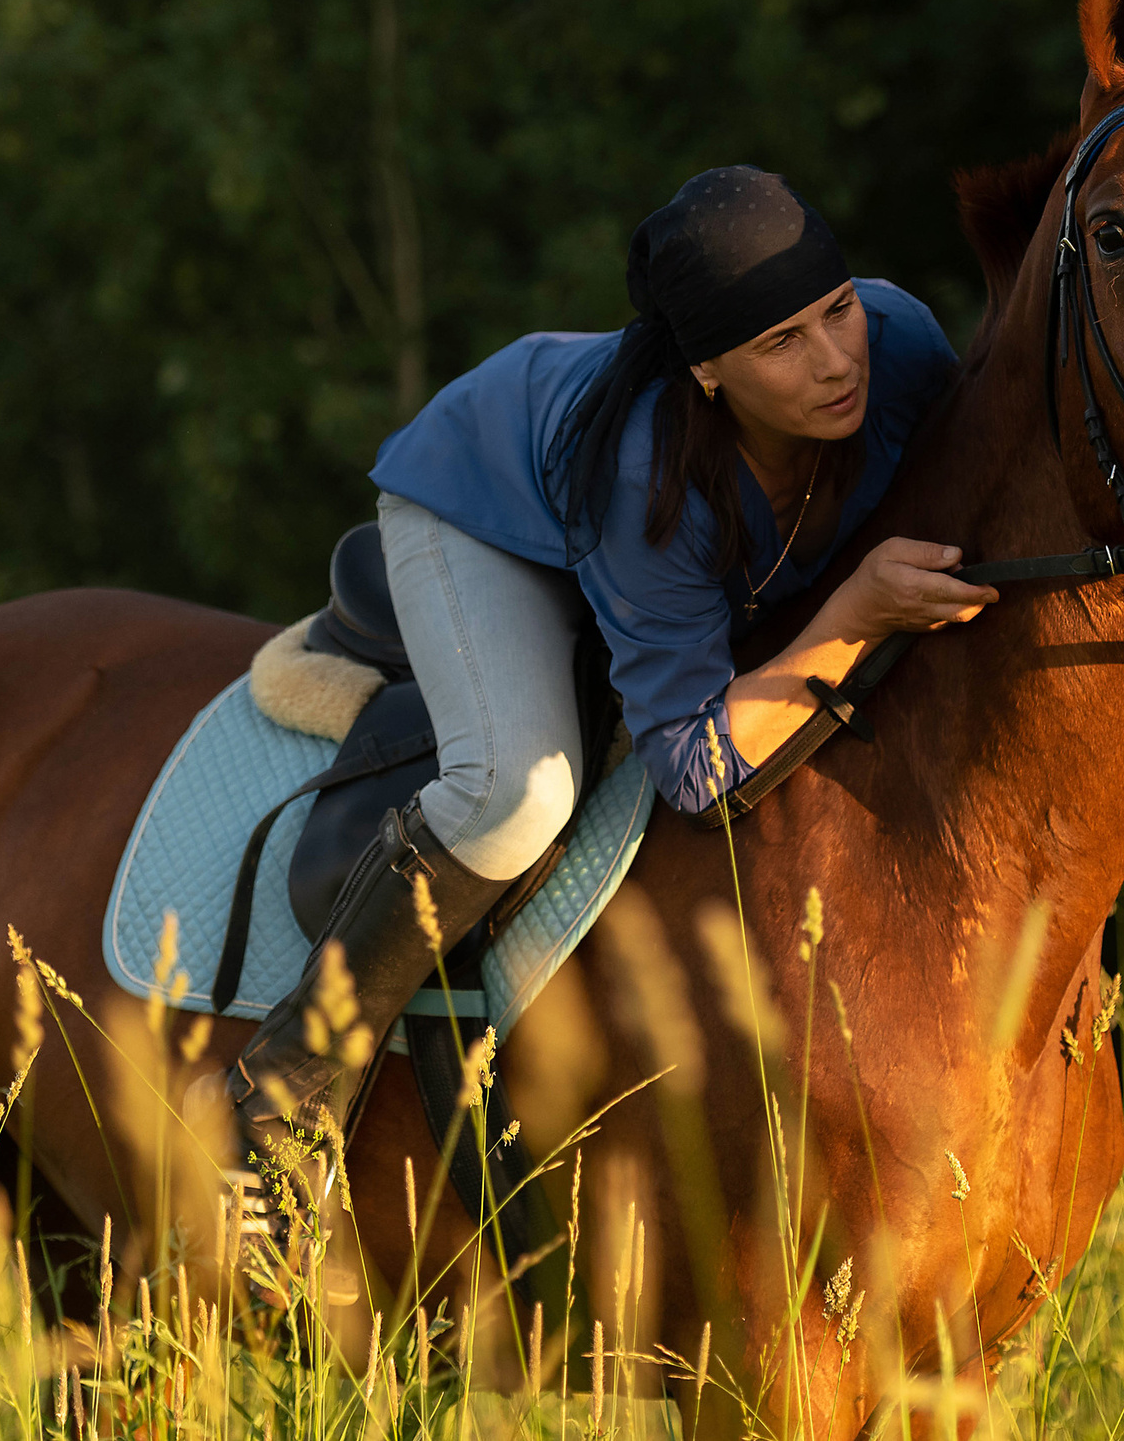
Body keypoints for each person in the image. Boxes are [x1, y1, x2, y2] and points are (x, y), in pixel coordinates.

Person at [223, 165, 997, 1166]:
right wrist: (852, 615)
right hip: (480, 507)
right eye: (781, 342)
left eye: (835, 311)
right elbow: (693, 765)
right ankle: (278, 1098)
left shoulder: (897, 342)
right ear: (708, 371)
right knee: (514, 797)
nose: (833, 361)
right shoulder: (648, 477)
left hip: (636, 520)